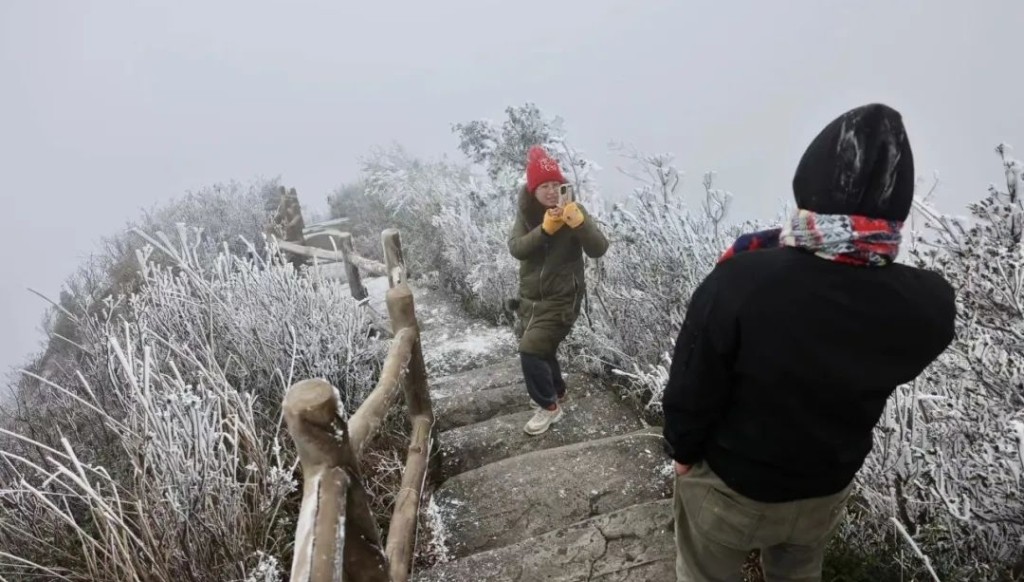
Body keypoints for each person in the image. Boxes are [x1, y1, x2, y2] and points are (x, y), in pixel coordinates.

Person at [662, 103, 957, 581]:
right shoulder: (929, 303)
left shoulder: (743, 280)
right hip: (826, 486)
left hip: (734, 487)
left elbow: (694, 382)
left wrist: (680, 447)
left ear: (810, 183)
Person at [508, 145, 609, 435]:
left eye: (556, 185)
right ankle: (559, 390)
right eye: (545, 186)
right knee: (543, 346)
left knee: (530, 350)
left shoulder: (574, 211)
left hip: (564, 297)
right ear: (533, 190)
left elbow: (598, 248)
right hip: (531, 298)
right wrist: (544, 230)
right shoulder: (526, 215)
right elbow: (517, 249)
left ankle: (549, 407)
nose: (552, 191)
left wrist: (580, 224)